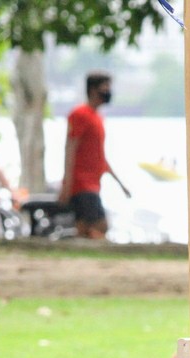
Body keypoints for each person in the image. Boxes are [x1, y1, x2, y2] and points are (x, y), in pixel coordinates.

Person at [59, 71, 129, 239]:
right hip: (82, 184)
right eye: (105, 87)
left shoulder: (97, 118)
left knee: (83, 228)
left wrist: (120, 184)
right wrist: (67, 185)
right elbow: (70, 149)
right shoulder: (80, 114)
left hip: (94, 183)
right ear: (92, 90)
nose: (108, 91)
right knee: (100, 225)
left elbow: (99, 156)